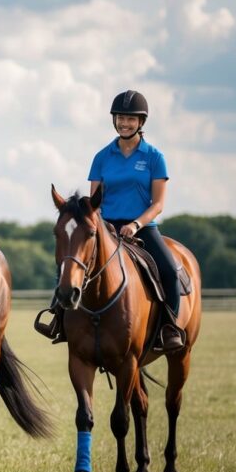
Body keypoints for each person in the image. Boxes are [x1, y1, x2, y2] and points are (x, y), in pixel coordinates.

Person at [89, 90, 184, 352]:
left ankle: (169, 327)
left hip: (142, 228)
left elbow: (158, 204)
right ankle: (59, 318)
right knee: (71, 263)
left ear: (141, 122)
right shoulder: (102, 157)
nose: (124, 123)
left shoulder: (154, 157)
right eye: (120, 117)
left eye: (131, 119)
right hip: (106, 227)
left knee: (168, 271)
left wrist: (135, 225)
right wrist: (101, 225)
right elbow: (93, 201)